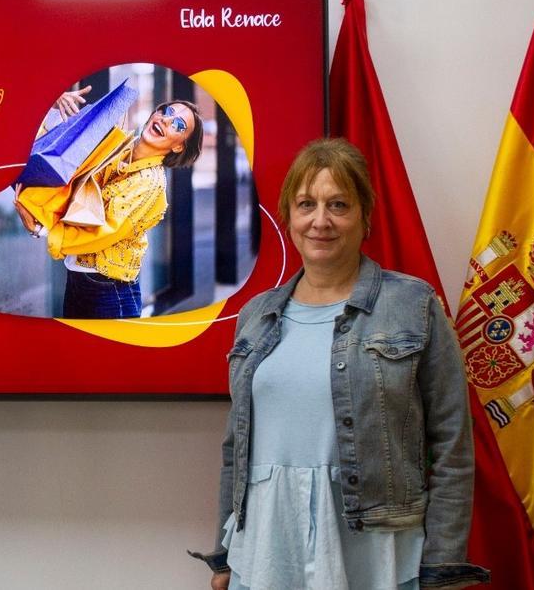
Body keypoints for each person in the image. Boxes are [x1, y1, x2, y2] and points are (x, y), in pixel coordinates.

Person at [192, 139, 489, 589]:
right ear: (289, 218)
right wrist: (224, 556)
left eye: (338, 205)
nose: (320, 221)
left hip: (374, 548)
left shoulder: (413, 304)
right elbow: (237, 447)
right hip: (268, 546)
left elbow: (452, 446)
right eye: (306, 204)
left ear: (364, 216)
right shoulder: (256, 315)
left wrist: (443, 567)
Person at [14, 86, 204, 319]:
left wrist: (43, 231)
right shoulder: (117, 144)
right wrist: (54, 108)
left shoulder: (150, 183)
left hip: (110, 294)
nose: (166, 120)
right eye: (166, 111)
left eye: (178, 125)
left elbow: (102, 233)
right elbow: (64, 152)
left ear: (178, 146)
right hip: (78, 280)